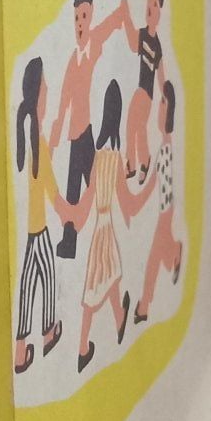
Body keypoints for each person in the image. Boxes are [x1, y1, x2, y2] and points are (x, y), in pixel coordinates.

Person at [74, 80, 155, 373]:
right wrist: (150, 186)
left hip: (100, 226)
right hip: (105, 229)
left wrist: (72, 214)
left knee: (109, 277)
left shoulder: (97, 159)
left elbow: (86, 200)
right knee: (97, 284)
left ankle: (119, 319)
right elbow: (129, 205)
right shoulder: (114, 159)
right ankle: (83, 347)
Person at [50, 0, 130, 259]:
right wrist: (54, 140)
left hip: (86, 133)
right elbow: (63, 104)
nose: (80, 24)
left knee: (94, 187)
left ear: (92, 13)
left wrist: (120, 15)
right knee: (78, 189)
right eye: (76, 18)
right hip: (75, 135)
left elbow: (105, 29)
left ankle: (102, 235)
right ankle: (71, 241)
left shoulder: (93, 44)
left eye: (84, 16)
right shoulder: (72, 62)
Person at [12, 55, 64, 373]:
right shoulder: (38, 143)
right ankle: (47, 333)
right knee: (47, 276)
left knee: (28, 284)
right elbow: (54, 194)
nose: (48, 91)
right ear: (38, 94)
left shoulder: (25, 137)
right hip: (38, 228)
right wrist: (74, 212)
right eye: (45, 87)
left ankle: (21, 350)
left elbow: (36, 178)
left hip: (27, 229)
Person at [135, 78, 185, 326]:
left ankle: (144, 306)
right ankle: (174, 251)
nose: (158, 110)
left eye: (162, 105)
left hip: (165, 213)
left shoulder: (166, 148)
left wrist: (137, 200)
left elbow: (155, 181)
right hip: (166, 211)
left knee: (154, 260)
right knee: (159, 256)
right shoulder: (165, 146)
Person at [123, 0, 166, 180]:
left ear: (160, 13)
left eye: (155, 3)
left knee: (134, 125)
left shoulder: (155, 44)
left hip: (145, 94)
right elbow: (133, 43)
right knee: (137, 127)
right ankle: (139, 162)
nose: (150, 5)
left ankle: (136, 163)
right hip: (142, 91)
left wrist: (165, 96)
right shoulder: (143, 35)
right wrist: (126, 17)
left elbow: (161, 73)